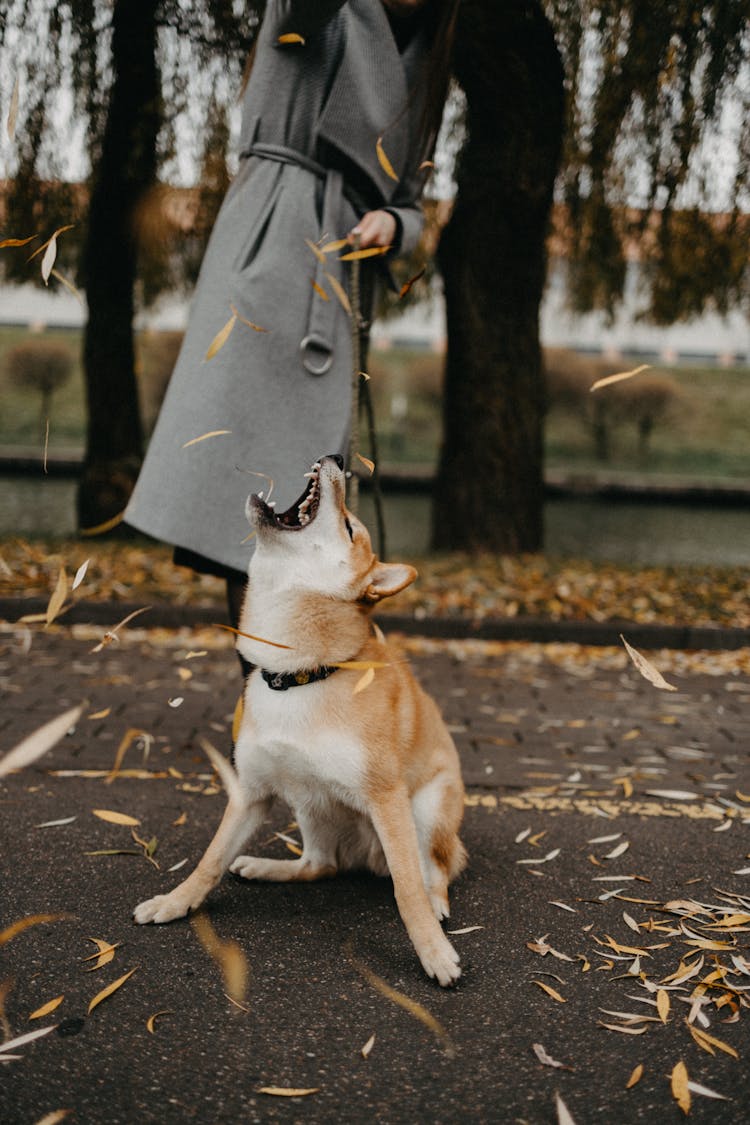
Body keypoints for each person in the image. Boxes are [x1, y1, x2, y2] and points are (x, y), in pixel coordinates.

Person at [125, 0, 458, 655]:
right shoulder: (319, 11)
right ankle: (265, 690)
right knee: (249, 496)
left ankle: (291, 693)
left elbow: (411, 206)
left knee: (310, 507)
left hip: (335, 283)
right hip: (269, 255)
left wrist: (393, 226)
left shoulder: (426, 56)